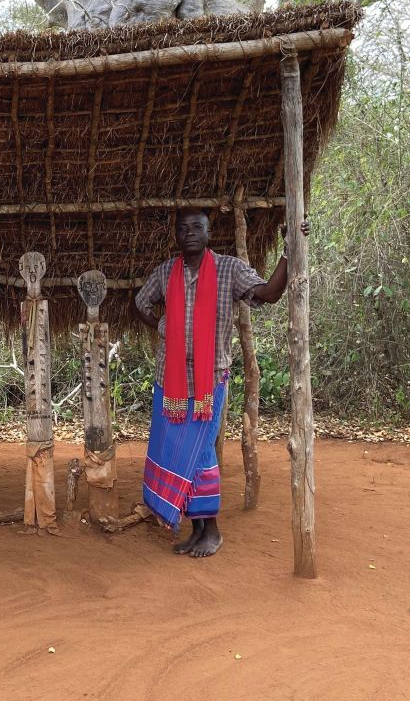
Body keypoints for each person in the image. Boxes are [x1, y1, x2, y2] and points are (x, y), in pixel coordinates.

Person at [135, 208, 308, 557]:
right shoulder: (167, 271)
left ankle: (210, 530)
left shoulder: (228, 269)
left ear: (209, 232)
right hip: (169, 382)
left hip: (208, 380)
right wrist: (162, 326)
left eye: (197, 227)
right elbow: (140, 302)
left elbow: (268, 293)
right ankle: (199, 530)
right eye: (183, 228)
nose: (190, 233)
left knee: (200, 452)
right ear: (176, 235)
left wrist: (290, 250)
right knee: (184, 453)